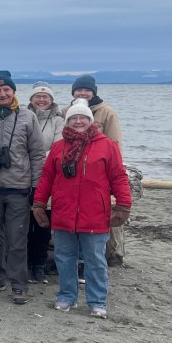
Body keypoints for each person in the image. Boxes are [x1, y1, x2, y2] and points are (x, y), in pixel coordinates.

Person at [33, 99, 132, 318]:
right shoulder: (59, 147)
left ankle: (97, 301)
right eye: (73, 118)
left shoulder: (107, 145)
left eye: (83, 118)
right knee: (64, 257)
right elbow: (47, 178)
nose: (78, 121)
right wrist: (39, 203)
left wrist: (123, 205)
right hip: (64, 212)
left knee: (95, 259)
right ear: (67, 122)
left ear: (90, 120)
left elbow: (118, 176)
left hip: (95, 213)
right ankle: (67, 296)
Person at [0, 74, 46, 304]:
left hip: (18, 187)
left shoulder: (28, 117)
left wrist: (36, 186)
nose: (2, 94)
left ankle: (19, 284)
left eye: (6, 90)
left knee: (17, 238)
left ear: (13, 92)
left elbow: (37, 154)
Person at [67, 74, 125, 266]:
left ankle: (111, 254)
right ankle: (73, 259)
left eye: (87, 90)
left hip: (97, 173)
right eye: (79, 89)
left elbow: (114, 145)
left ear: (94, 92)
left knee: (98, 219)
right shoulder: (67, 111)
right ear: (73, 92)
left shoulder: (106, 112)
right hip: (71, 173)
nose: (83, 93)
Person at [26, 81, 64, 284]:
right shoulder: (23, 117)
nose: (41, 100)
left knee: (42, 224)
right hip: (23, 178)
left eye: (45, 97)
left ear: (51, 100)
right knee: (24, 223)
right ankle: (24, 263)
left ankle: (39, 265)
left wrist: (32, 157)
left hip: (48, 179)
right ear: (31, 100)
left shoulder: (59, 121)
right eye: (37, 96)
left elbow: (58, 148)